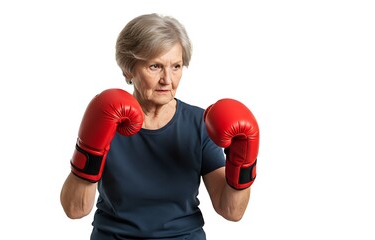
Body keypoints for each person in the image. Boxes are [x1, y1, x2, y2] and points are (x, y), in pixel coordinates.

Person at [60, 13, 260, 239]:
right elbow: (75, 210)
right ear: (129, 69)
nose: (167, 79)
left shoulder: (200, 123)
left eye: (176, 66)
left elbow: (231, 211)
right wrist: (89, 150)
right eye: (155, 66)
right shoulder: (107, 118)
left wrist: (244, 161)